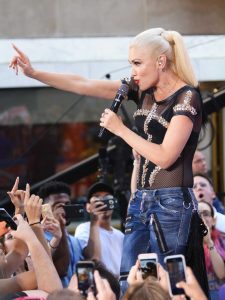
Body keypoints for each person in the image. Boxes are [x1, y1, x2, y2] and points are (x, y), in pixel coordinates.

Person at [10, 28, 205, 288]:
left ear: (161, 62)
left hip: (171, 202)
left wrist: (121, 130)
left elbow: (166, 156)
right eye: (130, 64)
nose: (132, 71)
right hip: (141, 200)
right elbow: (84, 84)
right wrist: (34, 73)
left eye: (137, 63)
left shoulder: (187, 97)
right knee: (132, 281)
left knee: (168, 282)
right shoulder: (141, 90)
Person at [38, 181, 83, 288]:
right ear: (44, 210)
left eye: (67, 205)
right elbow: (61, 270)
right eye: (58, 205)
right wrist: (59, 225)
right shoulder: (40, 238)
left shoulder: (75, 240)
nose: (63, 210)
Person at [74, 181, 124, 277]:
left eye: (107, 197)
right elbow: (93, 259)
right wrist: (94, 221)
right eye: (97, 197)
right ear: (88, 207)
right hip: (100, 283)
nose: (102, 201)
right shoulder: (84, 228)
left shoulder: (120, 235)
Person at [198, 200, 225, 300]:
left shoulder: (222, 241)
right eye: (198, 214)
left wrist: (209, 242)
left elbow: (221, 274)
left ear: (213, 221)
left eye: (206, 214)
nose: (202, 218)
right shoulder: (185, 244)